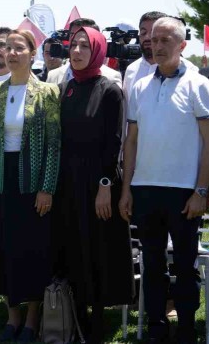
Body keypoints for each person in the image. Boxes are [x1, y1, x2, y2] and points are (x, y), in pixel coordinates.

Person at [119, 17, 209, 343]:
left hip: (183, 192)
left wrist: (200, 191)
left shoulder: (199, 85)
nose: (157, 45)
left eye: (165, 40)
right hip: (145, 189)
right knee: (152, 263)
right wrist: (126, 189)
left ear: (182, 45)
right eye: (154, 39)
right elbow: (131, 142)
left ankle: (187, 328)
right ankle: (157, 326)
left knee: (186, 265)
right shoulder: (140, 86)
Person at [0, 29, 60, 342]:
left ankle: (32, 319)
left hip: (32, 182)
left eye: (18, 48)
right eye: (7, 47)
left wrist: (47, 187)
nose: (11, 53)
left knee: (33, 250)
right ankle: (12, 317)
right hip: (0, 180)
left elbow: (54, 144)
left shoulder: (48, 92)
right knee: (3, 248)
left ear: (33, 54)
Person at [53, 27, 134, 343]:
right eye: (73, 45)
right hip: (67, 182)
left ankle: (98, 322)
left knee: (98, 249)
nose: (77, 51)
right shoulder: (66, 88)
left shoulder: (110, 90)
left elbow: (114, 143)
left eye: (85, 46)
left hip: (99, 182)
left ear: (98, 50)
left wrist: (104, 185)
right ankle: (73, 318)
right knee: (72, 246)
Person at [122, 11, 198, 104]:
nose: (147, 37)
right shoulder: (131, 70)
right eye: (143, 32)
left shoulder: (189, 70)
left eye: (153, 32)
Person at [45, 19, 123, 87]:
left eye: (86, 35)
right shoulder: (53, 75)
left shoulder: (111, 78)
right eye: (73, 35)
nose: (78, 37)